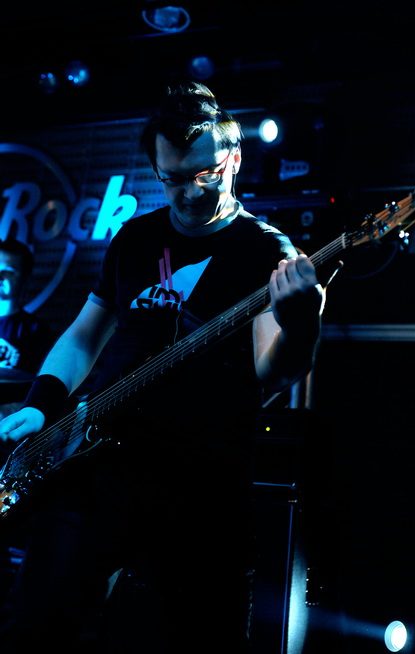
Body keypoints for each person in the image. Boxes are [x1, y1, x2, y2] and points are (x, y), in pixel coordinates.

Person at [0, 80, 324, 653]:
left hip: (198, 485)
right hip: (94, 464)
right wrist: (41, 404)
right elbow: (85, 334)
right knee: (35, 626)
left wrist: (301, 325)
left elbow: (271, 374)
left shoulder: (266, 251)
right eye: (172, 178)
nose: (190, 192)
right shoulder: (135, 238)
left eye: (206, 174)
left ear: (234, 158)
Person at [0, 237, 55, 417]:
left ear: (24, 278)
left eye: (8, 271)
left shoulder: (37, 331)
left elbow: (44, 389)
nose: (0, 276)